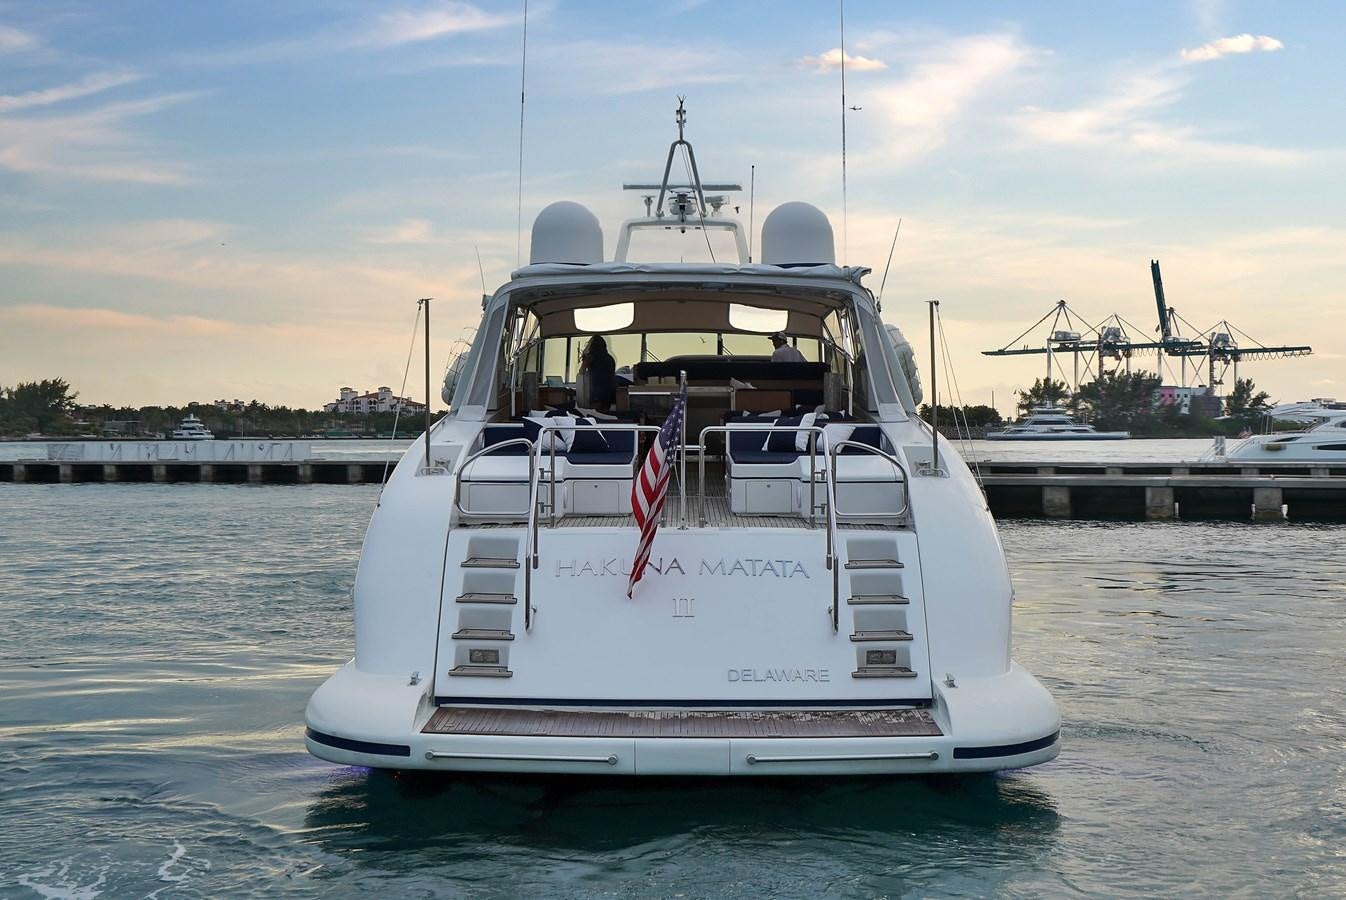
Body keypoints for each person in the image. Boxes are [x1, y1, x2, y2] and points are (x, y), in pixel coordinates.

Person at [578, 335, 617, 409]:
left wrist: (585, 353)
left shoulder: (591, 357)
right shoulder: (610, 358)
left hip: (596, 391)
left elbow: (581, 372)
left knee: (595, 414)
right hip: (610, 392)